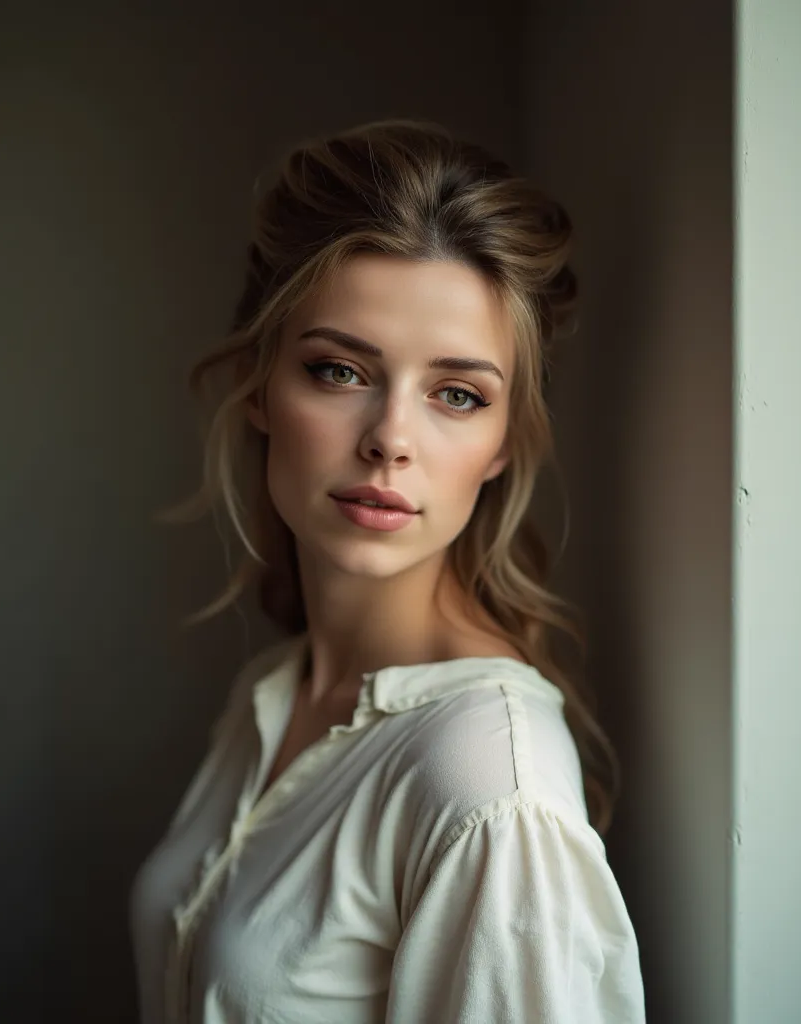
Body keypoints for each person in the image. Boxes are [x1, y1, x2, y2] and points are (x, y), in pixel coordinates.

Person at [130, 118, 645, 1023]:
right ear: (259, 386)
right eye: (338, 370)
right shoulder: (273, 695)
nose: (390, 439)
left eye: (457, 394)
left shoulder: (491, 790)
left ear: (502, 445)